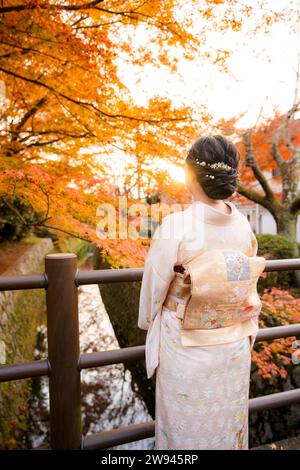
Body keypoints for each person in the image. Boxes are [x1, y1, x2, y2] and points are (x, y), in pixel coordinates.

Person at [138, 135, 261, 450]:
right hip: (233, 342)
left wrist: (148, 323)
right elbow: (249, 289)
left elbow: (154, 289)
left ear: (190, 176)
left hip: (186, 344)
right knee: (226, 421)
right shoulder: (243, 227)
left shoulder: (177, 225)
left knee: (185, 430)